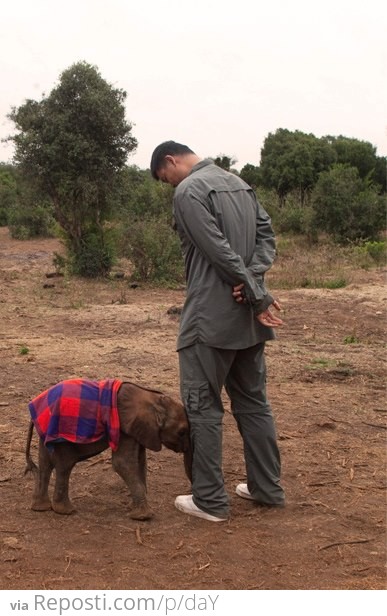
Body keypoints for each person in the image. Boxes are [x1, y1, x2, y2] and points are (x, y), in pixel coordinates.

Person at [150, 141, 285, 522]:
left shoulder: (188, 190)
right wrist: (254, 279)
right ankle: (267, 488)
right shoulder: (239, 183)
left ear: (171, 161)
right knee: (254, 403)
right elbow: (266, 237)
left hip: (208, 320)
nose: (168, 185)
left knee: (202, 408)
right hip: (246, 323)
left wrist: (253, 290)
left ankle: (209, 500)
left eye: (165, 177)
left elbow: (216, 250)